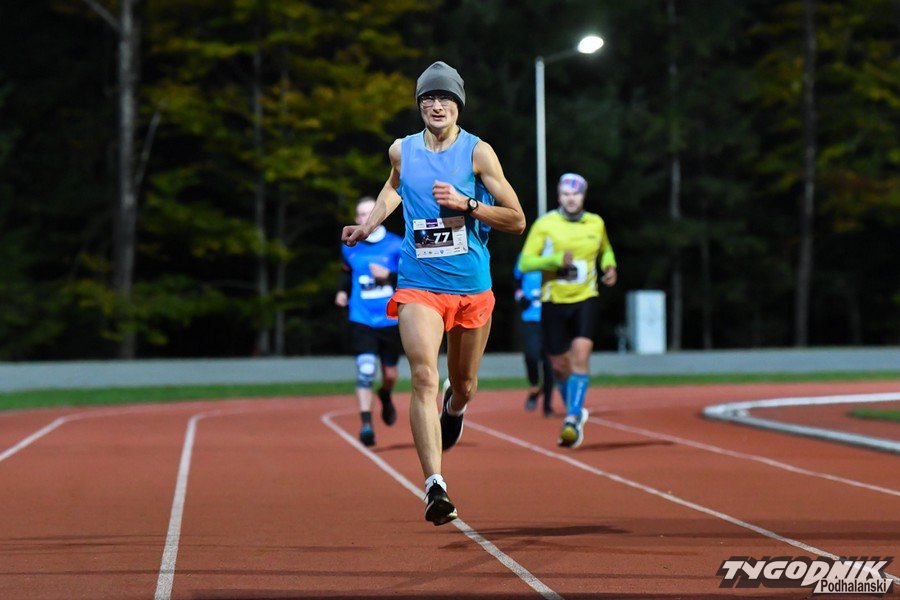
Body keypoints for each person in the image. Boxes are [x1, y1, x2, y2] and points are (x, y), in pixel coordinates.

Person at [341, 61, 525, 526]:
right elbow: (393, 188)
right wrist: (368, 226)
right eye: (428, 98)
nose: (436, 105)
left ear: (458, 104)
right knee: (423, 375)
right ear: (419, 105)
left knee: (463, 384)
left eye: (444, 98)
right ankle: (435, 486)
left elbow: (517, 219)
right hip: (419, 282)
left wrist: (468, 204)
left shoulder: (478, 152)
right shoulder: (401, 150)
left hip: (471, 287)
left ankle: (456, 407)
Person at [517, 173, 617, 449]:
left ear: (583, 195)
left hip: (586, 297)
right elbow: (525, 263)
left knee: (581, 355)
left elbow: (606, 250)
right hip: (554, 301)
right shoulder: (545, 224)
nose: (571, 199)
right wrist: (555, 260)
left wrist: (609, 266)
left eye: (575, 194)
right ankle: (573, 405)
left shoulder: (595, 223)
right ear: (559, 196)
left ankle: (572, 417)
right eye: (565, 194)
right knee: (560, 366)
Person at [335, 197, 403, 447]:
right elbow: (346, 272)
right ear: (356, 219)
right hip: (361, 317)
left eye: (369, 213)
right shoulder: (350, 246)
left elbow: (412, 278)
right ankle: (366, 424)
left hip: (390, 318)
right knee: (365, 370)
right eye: (361, 214)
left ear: (379, 215)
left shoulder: (396, 244)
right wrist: (342, 291)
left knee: (390, 374)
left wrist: (389, 276)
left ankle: (385, 394)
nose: (365, 218)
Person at [513, 254, 555, 416]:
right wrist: (520, 296)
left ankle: (547, 405)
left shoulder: (555, 254)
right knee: (531, 355)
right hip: (531, 316)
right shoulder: (525, 256)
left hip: (551, 316)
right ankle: (535, 386)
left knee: (549, 362)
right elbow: (516, 281)